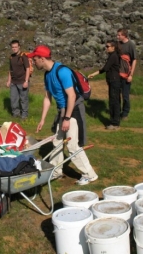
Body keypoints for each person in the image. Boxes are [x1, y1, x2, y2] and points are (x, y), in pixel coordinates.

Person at [28, 45, 98, 185]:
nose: (33, 63)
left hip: (74, 110)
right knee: (57, 141)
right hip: (63, 111)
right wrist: (42, 119)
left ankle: (90, 174)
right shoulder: (47, 74)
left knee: (72, 145)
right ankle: (56, 171)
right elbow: (47, 98)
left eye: (34, 59)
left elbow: (71, 96)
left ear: (42, 59)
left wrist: (67, 118)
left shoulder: (62, 71)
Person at [88, 40, 121, 130]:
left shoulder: (113, 56)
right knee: (114, 101)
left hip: (114, 81)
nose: (106, 48)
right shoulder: (112, 55)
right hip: (113, 81)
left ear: (113, 47)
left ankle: (115, 123)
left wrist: (94, 74)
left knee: (114, 102)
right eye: (106, 46)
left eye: (108, 46)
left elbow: (105, 68)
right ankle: (114, 122)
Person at [6, 39, 30, 120]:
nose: (14, 48)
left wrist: (26, 81)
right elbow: (10, 70)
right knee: (13, 99)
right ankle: (16, 114)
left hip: (22, 81)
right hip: (14, 82)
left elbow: (27, 69)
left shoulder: (23, 56)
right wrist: (9, 80)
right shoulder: (11, 57)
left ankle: (24, 115)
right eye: (13, 47)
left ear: (19, 47)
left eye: (16, 47)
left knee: (24, 99)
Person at [117, 28, 137, 121]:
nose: (118, 37)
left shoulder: (131, 45)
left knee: (125, 96)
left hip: (126, 75)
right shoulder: (118, 44)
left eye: (119, 35)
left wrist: (131, 75)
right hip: (117, 74)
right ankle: (117, 112)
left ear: (124, 35)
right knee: (116, 95)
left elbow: (134, 60)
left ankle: (125, 114)